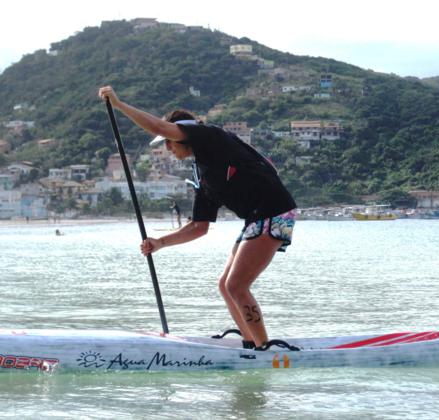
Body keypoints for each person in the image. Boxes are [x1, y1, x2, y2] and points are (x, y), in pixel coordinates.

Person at [99, 86, 298, 351]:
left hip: (274, 211)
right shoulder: (202, 175)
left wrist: (119, 104)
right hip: (255, 219)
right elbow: (198, 227)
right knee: (226, 286)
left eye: (169, 142)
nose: (168, 148)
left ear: (182, 135)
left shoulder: (209, 136)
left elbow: (159, 127)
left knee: (237, 284)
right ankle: (250, 343)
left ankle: (265, 349)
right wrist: (160, 242)